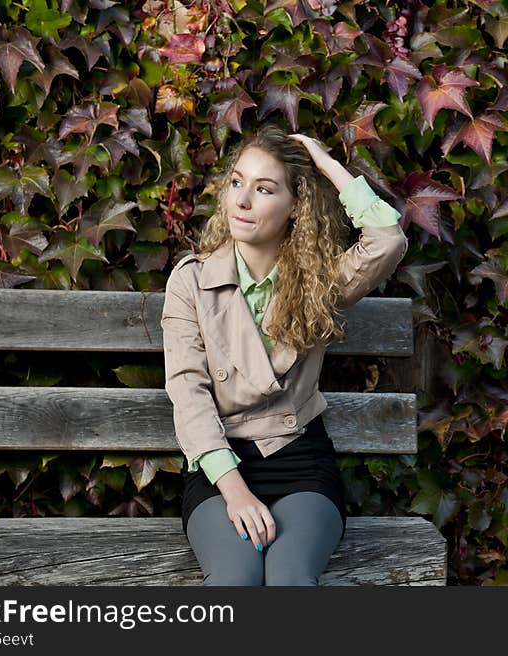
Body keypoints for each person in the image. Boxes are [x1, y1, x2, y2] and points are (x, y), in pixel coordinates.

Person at [161, 123, 408, 585]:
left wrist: (327, 166)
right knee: (236, 577)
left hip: (301, 461)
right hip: (222, 468)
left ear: (296, 206)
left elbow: (388, 241)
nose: (242, 201)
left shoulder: (316, 281)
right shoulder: (191, 283)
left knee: (290, 576)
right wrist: (234, 491)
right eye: (237, 182)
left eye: (264, 189)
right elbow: (188, 392)